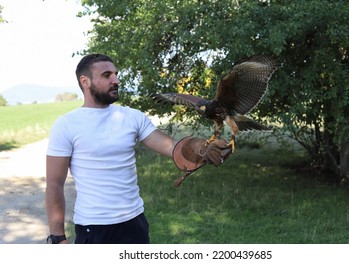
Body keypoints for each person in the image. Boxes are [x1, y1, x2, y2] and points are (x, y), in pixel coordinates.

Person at [45, 53, 231, 244]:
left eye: (116, 74)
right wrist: (58, 237)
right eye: (107, 75)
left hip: (134, 223)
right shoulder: (66, 124)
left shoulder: (132, 117)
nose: (116, 80)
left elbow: (172, 147)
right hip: (94, 226)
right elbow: (54, 184)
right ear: (85, 81)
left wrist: (202, 148)